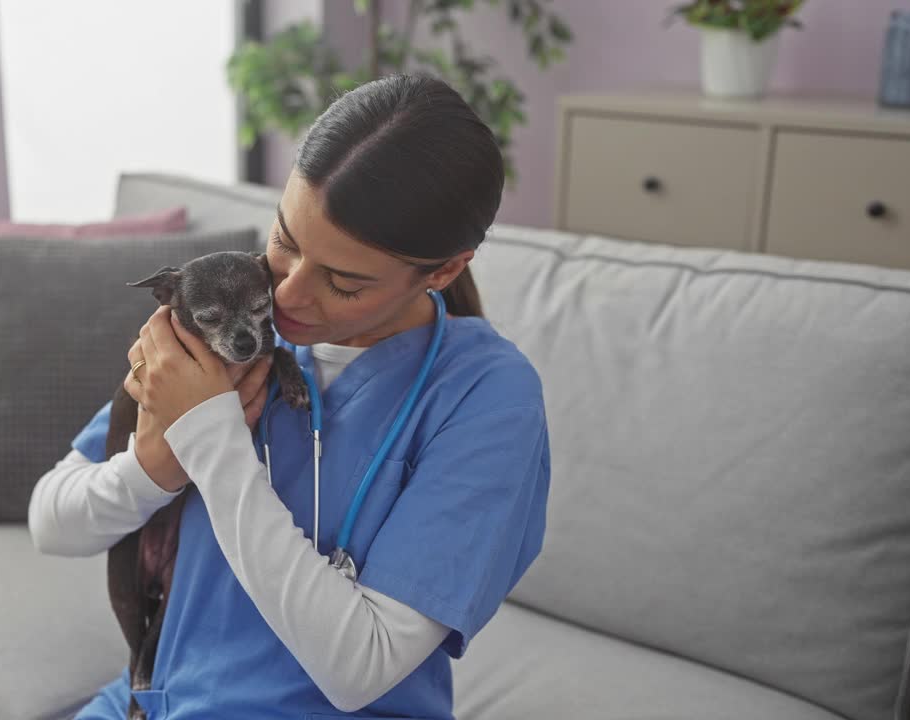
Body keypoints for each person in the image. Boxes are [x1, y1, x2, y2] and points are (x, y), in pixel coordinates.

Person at [28, 73, 551, 720]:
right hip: (150, 705)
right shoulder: (234, 324)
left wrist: (209, 436)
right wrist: (155, 466)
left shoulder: (486, 398)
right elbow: (52, 522)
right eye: (285, 241)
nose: (288, 296)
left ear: (443, 271)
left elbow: (360, 668)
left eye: (342, 282)